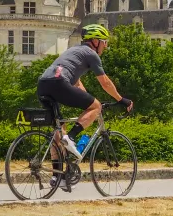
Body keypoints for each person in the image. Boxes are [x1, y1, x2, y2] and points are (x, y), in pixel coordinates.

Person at [37, 24, 133, 162]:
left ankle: (58, 177)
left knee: (59, 131)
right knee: (95, 106)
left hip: (43, 84)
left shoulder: (74, 51)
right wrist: (121, 99)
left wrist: (90, 99)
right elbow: (105, 82)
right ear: (95, 41)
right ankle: (70, 137)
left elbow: (77, 83)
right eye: (104, 42)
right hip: (58, 83)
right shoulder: (91, 54)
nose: (105, 46)